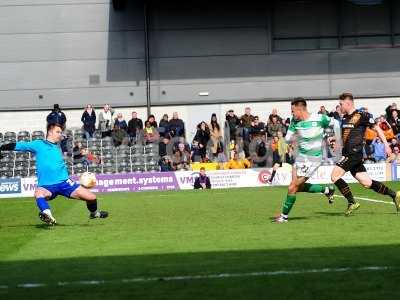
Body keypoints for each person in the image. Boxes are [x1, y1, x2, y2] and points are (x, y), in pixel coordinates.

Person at [0, 123, 108, 225]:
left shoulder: (62, 146)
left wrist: (95, 159)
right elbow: (18, 145)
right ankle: (48, 215)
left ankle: (94, 214)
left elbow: (79, 153)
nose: (60, 134)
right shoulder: (38, 144)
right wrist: (1, 148)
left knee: (92, 197)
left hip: (65, 183)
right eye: (58, 132)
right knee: (38, 193)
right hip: (47, 186)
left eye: (61, 132)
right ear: (50, 132)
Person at [330, 93, 400, 216]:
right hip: (348, 153)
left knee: (335, 176)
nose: (339, 106)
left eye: (341, 104)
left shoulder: (362, 115)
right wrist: (336, 142)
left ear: (348, 103)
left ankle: (351, 202)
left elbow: (377, 129)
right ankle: (395, 195)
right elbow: (344, 137)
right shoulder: (344, 118)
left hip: (353, 154)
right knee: (367, 183)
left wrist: (386, 145)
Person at [274, 98, 337, 223]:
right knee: (297, 186)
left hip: (313, 159)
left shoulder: (319, 118)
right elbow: (287, 138)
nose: (292, 114)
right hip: (300, 157)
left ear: (300, 109)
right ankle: (327, 190)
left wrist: (330, 138)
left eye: (293, 111)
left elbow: (332, 123)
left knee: (293, 187)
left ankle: (283, 217)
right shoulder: (294, 121)